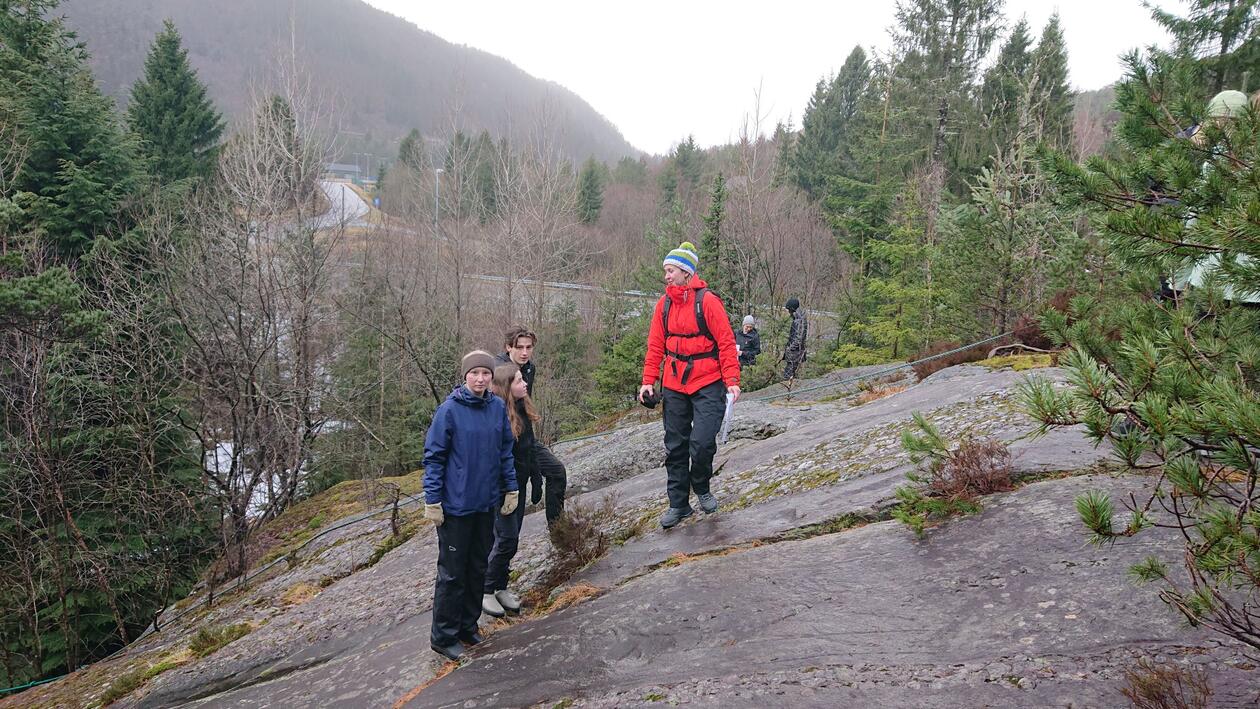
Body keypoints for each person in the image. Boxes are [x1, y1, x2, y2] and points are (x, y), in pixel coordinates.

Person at [423, 351, 519, 661]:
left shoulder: (495, 408)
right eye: (474, 373)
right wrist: (432, 499)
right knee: (452, 573)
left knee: (477, 566)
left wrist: (511, 488)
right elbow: (434, 458)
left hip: (485, 502)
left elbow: (505, 451)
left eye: (485, 374)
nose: (480, 379)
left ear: (492, 377)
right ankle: (443, 635)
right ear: (465, 376)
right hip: (456, 506)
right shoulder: (449, 411)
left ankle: (467, 626)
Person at [638, 241, 741, 529]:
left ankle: (702, 487)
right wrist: (648, 381)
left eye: (671, 270)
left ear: (686, 272)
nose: (666, 276)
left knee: (703, 442)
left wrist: (732, 381)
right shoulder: (664, 304)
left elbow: (725, 343)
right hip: (674, 383)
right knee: (675, 446)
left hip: (709, 382)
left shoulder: (707, 302)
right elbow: (656, 345)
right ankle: (679, 505)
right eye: (665, 271)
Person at [482, 363, 539, 618]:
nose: (524, 384)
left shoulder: (521, 409)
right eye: (518, 381)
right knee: (505, 539)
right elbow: (496, 458)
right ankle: (485, 589)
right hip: (503, 487)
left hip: (520, 482)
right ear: (507, 387)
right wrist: (506, 489)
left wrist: (536, 477)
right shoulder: (497, 417)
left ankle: (500, 586)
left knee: (512, 538)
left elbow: (530, 447)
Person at [495, 326, 568, 524]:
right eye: (519, 347)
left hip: (526, 439)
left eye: (529, 347)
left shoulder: (528, 369)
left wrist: (535, 466)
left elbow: (524, 411)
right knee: (512, 508)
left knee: (556, 471)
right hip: (507, 445)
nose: (525, 352)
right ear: (508, 347)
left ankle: (559, 531)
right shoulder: (499, 372)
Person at [782, 298, 808, 385]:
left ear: (792, 309)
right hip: (794, 353)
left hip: (795, 354)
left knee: (787, 376)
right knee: (789, 376)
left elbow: (799, 339)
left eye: (788, 309)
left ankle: (787, 395)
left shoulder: (799, 320)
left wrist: (790, 348)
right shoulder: (797, 318)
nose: (788, 312)